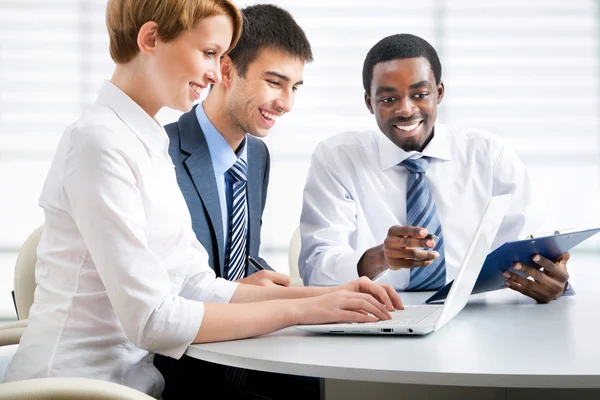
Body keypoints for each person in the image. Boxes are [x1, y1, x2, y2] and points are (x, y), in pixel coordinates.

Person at [1, 2, 403, 398]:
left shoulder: (145, 140)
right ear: (151, 38)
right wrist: (304, 311)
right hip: (78, 388)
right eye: (209, 53)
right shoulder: (97, 143)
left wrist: (332, 296)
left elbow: (194, 283)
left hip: (133, 384)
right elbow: (153, 320)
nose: (216, 72)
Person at [299, 33, 572, 304]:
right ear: (369, 102)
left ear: (439, 93)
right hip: (379, 314)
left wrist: (553, 281)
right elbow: (315, 269)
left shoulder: (489, 155)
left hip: (476, 313)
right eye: (387, 99)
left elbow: (536, 247)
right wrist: (379, 257)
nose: (406, 110)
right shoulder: (337, 158)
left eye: (420, 94)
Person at [155, 4, 319, 399]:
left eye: (294, 87)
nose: (286, 103)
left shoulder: (257, 156)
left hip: (240, 346)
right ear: (226, 71)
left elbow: (240, 252)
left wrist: (261, 275)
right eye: (274, 82)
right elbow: (158, 288)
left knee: (319, 382)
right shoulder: (161, 151)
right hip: (176, 359)